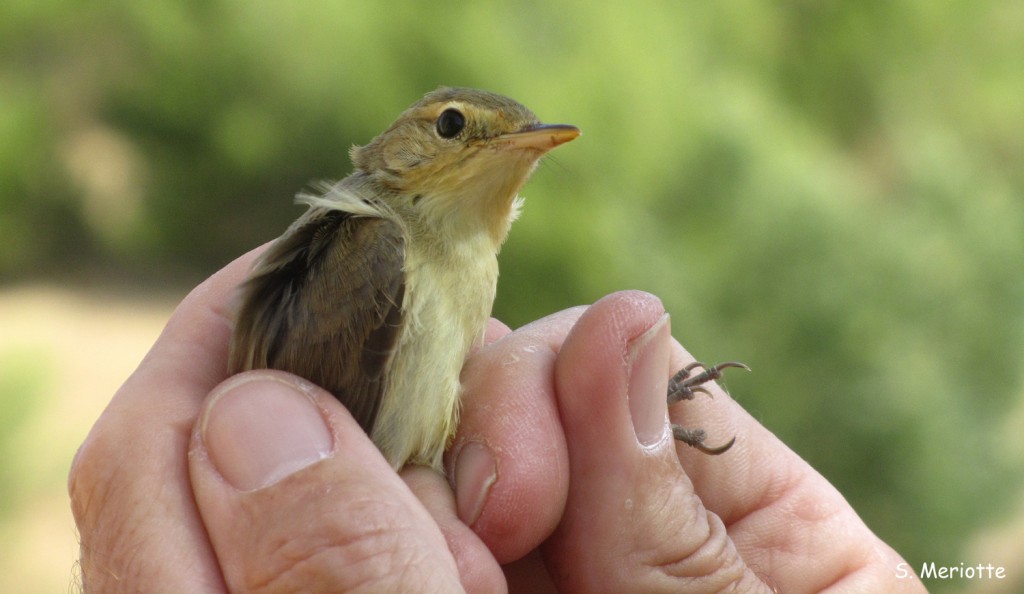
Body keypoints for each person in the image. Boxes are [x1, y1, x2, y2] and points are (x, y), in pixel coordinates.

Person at [68, 247, 925, 592]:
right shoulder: (373, 247)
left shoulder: (461, 265)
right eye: (452, 128)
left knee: (497, 467)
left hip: (444, 496)